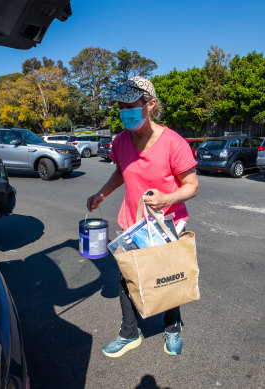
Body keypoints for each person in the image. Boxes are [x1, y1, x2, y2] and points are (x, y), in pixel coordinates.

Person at [86, 76, 199, 357]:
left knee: (167, 276)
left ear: (150, 105)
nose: (124, 111)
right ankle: (129, 332)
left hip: (167, 223)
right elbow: (120, 171)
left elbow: (192, 186)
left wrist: (166, 199)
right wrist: (101, 194)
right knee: (127, 279)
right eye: (120, 106)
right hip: (132, 223)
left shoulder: (174, 143)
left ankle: (172, 326)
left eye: (130, 104)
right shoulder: (121, 141)